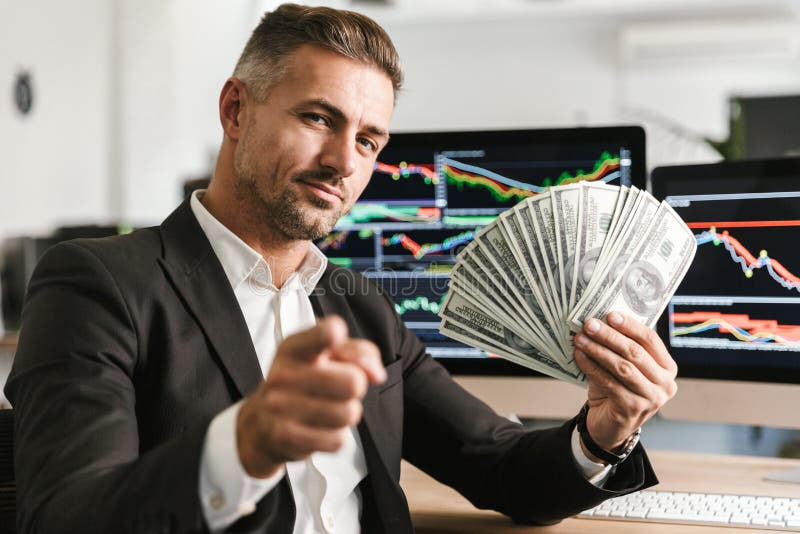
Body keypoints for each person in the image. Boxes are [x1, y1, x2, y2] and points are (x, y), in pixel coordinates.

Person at [6, 4, 678, 533]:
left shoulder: (355, 304)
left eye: (367, 139)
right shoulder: (98, 284)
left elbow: (498, 465)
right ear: (236, 110)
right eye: (317, 118)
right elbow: (65, 516)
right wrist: (240, 449)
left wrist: (604, 429)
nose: (343, 161)